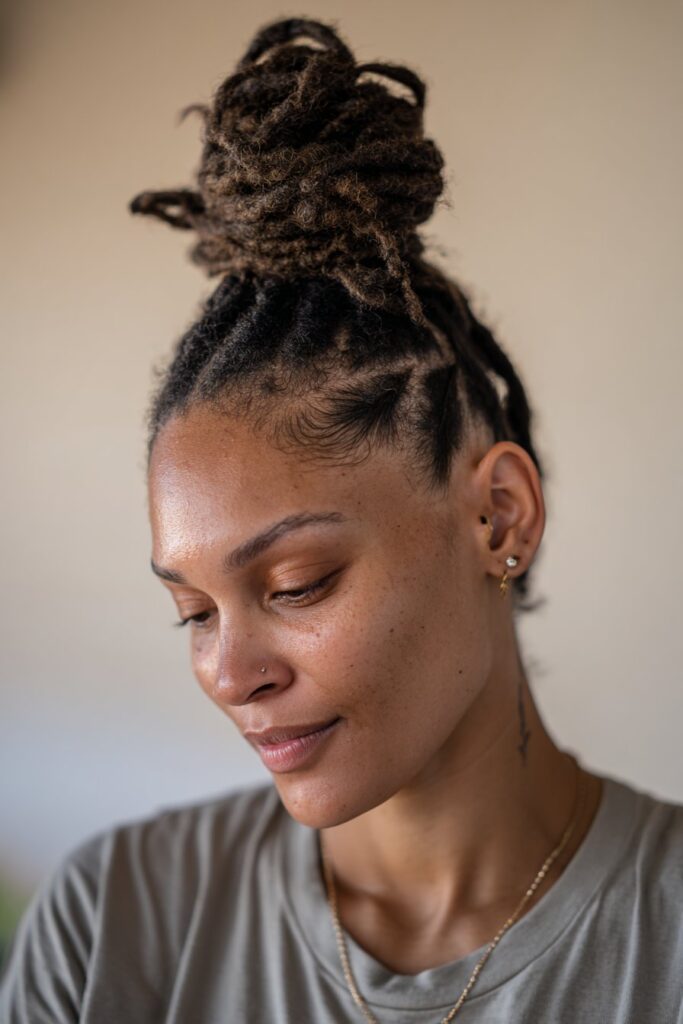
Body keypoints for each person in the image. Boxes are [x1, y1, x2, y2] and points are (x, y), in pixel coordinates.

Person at [1, 16, 681, 1024]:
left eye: (294, 585)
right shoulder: (111, 926)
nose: (231, 677)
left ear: (498, 516)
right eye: (193, 611)